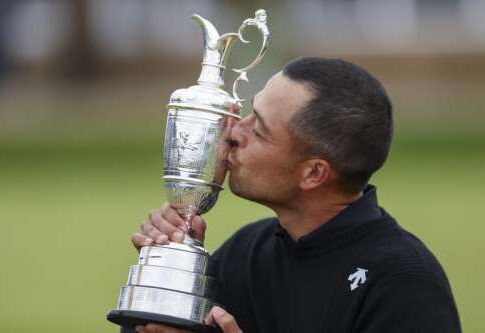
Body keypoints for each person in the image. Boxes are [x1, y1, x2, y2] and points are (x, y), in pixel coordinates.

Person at [131, 57, 461, 333]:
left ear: (313, 173)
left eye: (258, 129)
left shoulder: (404, 285)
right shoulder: (247, 253)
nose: (233, 132)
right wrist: (164, 281)